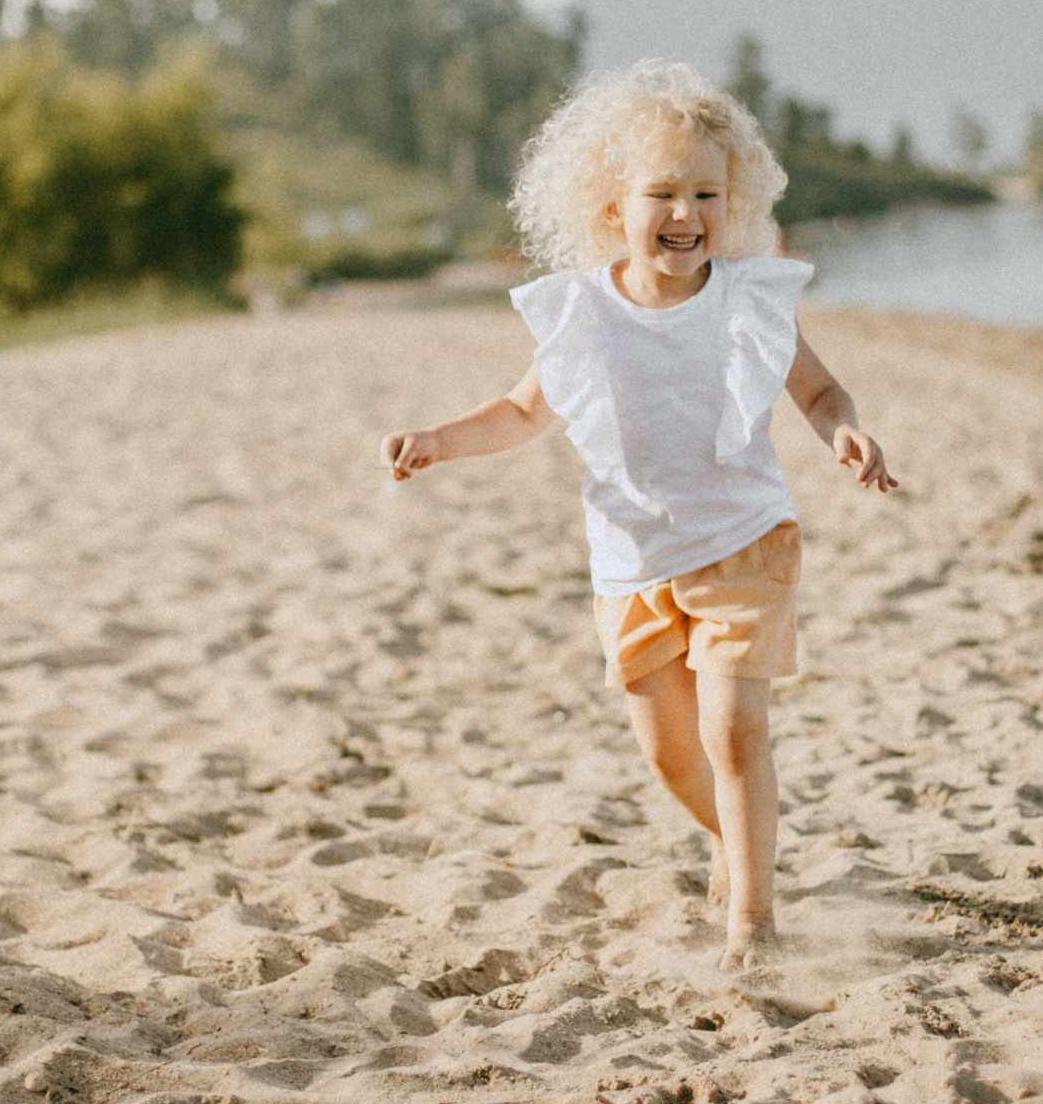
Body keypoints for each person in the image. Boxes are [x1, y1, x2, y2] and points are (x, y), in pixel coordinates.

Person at [380, 60, 896, 970]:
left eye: (706, 191)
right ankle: (732, 842)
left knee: (734, 731)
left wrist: (846, 432)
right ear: (613, 208)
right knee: (671, 759)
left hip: (744, 542)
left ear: (730, 203)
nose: (686, 213)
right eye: (662, 192)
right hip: (633, 564)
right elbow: (521, 412)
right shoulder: (582, 312)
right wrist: (436, 438)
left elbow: (817, 391)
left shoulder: (747, 298)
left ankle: (754, 918)